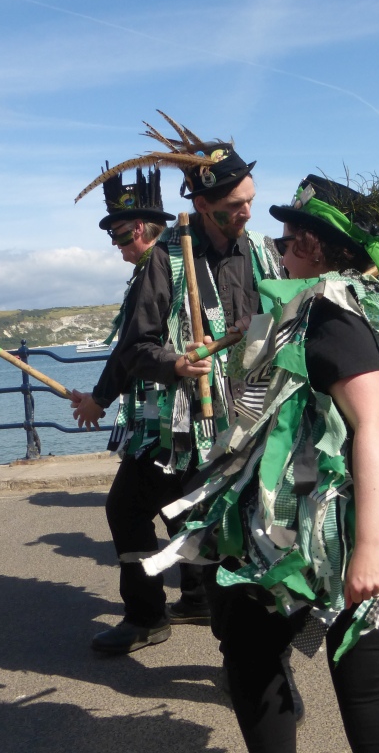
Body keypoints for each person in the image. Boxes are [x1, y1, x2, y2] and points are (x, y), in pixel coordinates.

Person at [140, 174, 379, 752]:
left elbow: (373, 423)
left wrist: (369, 547)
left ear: (313, 245)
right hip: (351, 512)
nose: (279, 249)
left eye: (287, 238)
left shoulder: (331, 314)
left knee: (265, 655)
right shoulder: (363, 302)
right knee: (358, 676)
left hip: (330, 527)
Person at [69, 117, 282, 655]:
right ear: (203, 204)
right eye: (235, 204)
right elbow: (135, 348)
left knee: (226, 531)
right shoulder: (165, 262)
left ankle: (235, 650)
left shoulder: (265, 254)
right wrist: (176, 364)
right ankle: (157, 616)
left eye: (250, 200)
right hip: (185, 427)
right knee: (145, 511)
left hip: (252, 421)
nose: (247, 212)